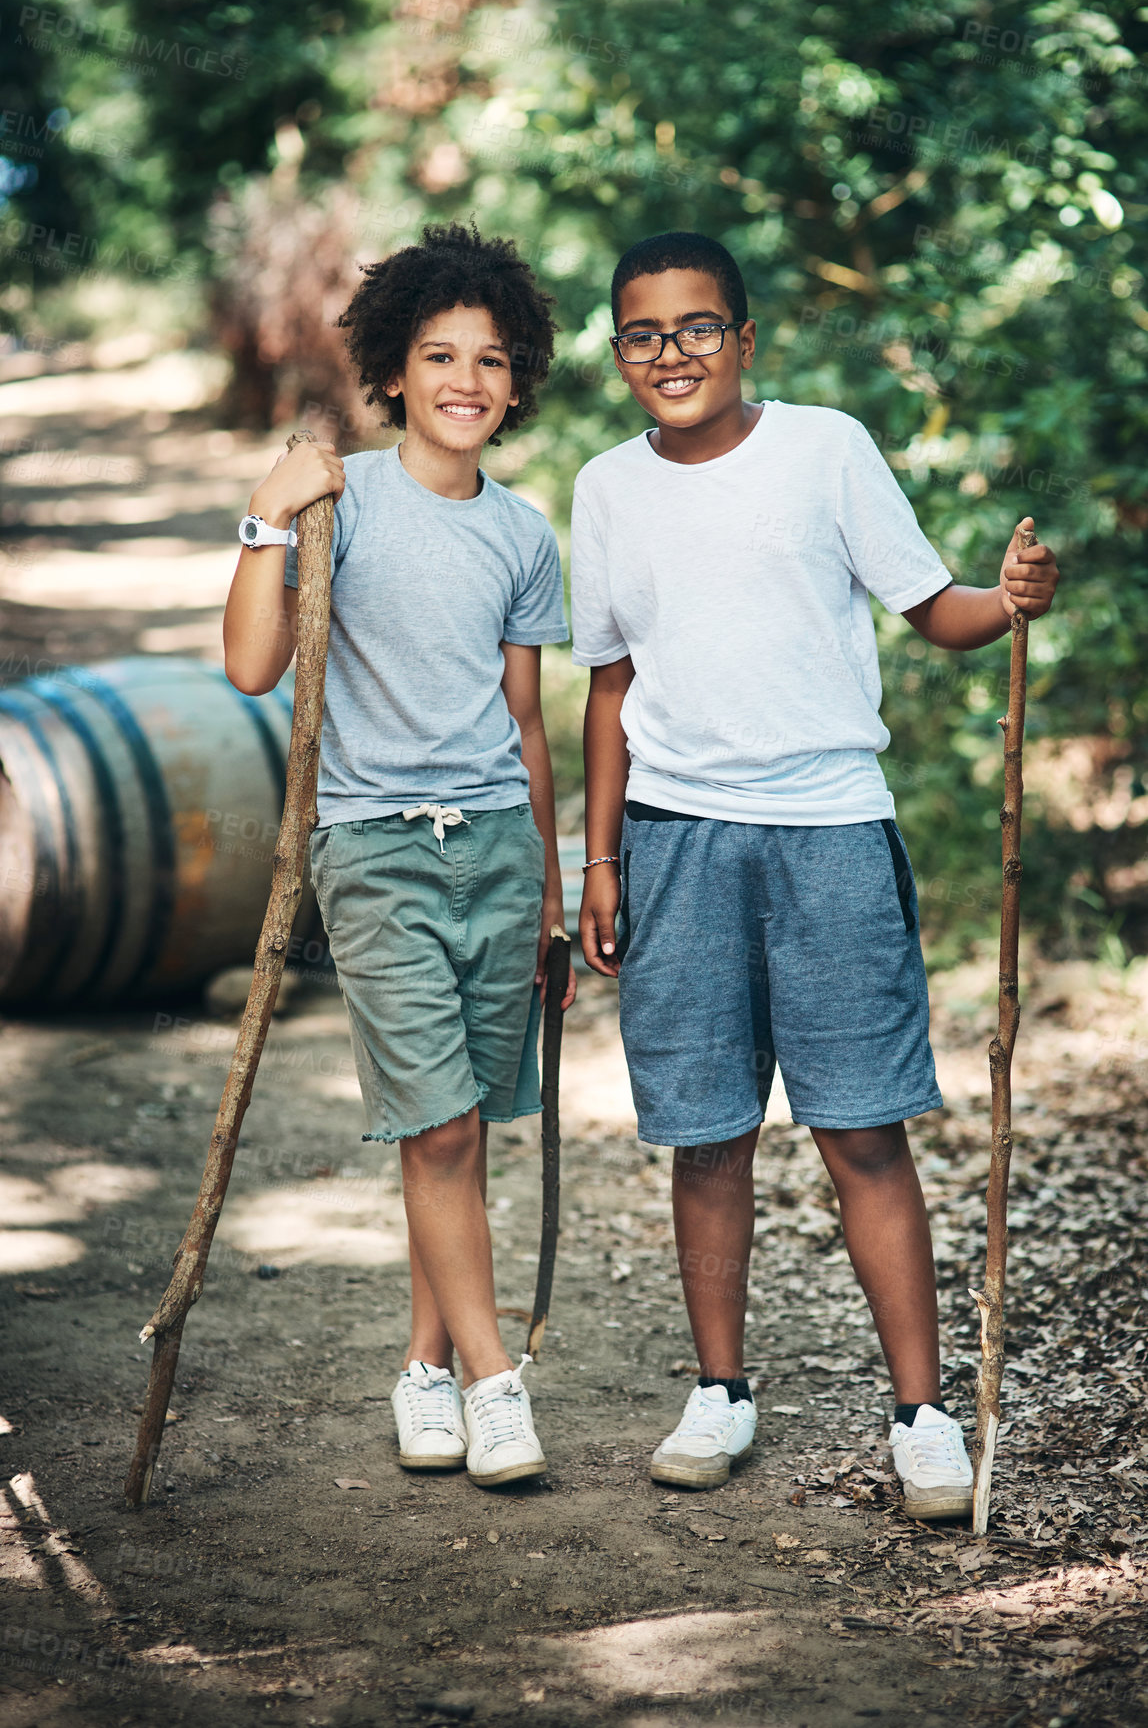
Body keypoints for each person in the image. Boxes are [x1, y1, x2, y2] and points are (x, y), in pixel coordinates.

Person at [574, 230, 1059, 1518]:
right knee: (705, 1132)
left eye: (694, 327)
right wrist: (600, 858)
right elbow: (608, 684)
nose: (669, 352)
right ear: (617, 352)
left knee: (858, 1125)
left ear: (743, 337)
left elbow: (929, 609)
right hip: (675, 838)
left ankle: (921, 1411)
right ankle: (720, 1390)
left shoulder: (825, 447)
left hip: (830, 827)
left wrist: (1005, 600)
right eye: (641, 332)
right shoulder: (605, 488)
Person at [223, 222, 575, 1489]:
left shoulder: (525, 538)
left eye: (490, 359)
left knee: (464, 1127)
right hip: (372, 846)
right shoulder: (342, 495)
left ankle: (422, 1365)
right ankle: (493, 1380)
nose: (464, 381)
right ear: (393, 369)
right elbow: (253, 667)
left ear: (519, 380)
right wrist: (267, 521)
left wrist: (550, 886)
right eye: (439, 355)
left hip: (494, 850)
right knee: (435, 1127)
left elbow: (527, 725)